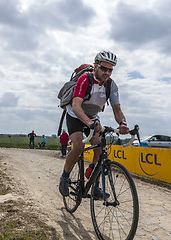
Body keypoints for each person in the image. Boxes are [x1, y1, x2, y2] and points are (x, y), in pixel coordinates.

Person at [58, 51, 129, 198]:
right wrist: (90, 123)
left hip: (92, 117)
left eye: (110, 70)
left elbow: (117, 110)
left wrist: (122, 123)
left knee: (100, 149)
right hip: (76, 115)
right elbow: (76, 106)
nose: (107, 73)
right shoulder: (85, 79)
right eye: (104, 68)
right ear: (96, 66)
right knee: (78, 146)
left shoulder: (111, 85)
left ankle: (95, 185)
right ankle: (64, 177)